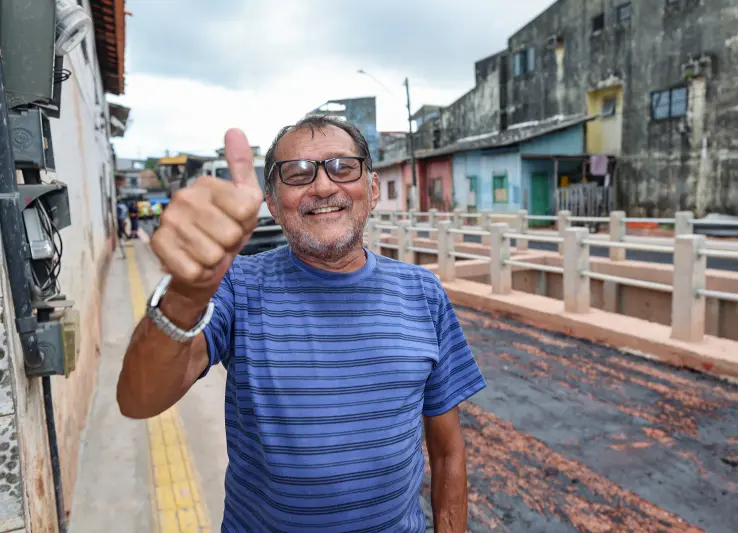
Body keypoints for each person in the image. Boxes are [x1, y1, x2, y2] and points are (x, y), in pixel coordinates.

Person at [116, 117, 486, 532]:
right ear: (273, 203)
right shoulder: (237, 284)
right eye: (297, 174)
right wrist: (185, 295)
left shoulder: (423, 293)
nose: (324, 186)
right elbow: (138, 399)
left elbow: (448, 450)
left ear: (373, 189)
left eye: (343, 167)